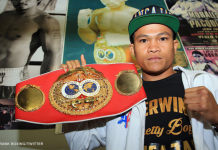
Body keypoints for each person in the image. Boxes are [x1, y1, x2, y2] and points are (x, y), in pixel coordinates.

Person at [61, 4, 218, 150]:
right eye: (143, 40)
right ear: (133, 50)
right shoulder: (115, 95)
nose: (153, 48)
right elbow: (80, 144)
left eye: (162, 38)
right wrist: (73, 95)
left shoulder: (207, 83)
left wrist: (217, 117)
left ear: (175, 46)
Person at [0, 0, 62, 99]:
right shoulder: (3, 16)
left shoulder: (46, 21)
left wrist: (47, 87)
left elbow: (52, 55)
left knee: (10, 113)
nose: (21, 0)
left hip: (13, 79)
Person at [77, 0, 140, 69]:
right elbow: (90, 40)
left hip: (129, 63)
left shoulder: (134, 13)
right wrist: (82, 24)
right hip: (103, 61)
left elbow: (144, 40)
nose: (110, 1)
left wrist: (118, 39)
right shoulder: (97, 13)